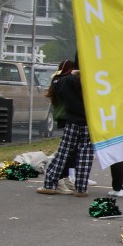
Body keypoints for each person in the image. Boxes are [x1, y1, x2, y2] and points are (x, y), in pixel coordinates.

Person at [38, 57, 93, 197]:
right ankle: (81, 188)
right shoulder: (93, 80)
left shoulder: (67, 81)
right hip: (89, 121)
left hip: (73, 120)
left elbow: (56, 85)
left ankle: (50, 184)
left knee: (63, 153)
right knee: (85, 155)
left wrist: (71, 74)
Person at [46, 59, 77, 194]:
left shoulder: (59, 79)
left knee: (73, 151)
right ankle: (59, 178)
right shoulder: (62, 81)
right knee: (67, 151)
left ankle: (66, 177)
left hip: (67, 117)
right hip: (66, 117)